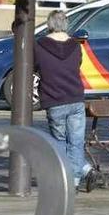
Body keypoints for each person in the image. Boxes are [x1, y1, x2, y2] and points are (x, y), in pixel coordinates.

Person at [34, 10, 98, 192]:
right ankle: (79, 177)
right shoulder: (75, 46)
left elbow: (35, 66)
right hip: (76, 98)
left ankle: (71, 179)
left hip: (54, 100)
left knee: (60, 142)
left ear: (49, 24)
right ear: (66, 24)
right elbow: (77, 65)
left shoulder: (40, 46)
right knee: (76, 143)